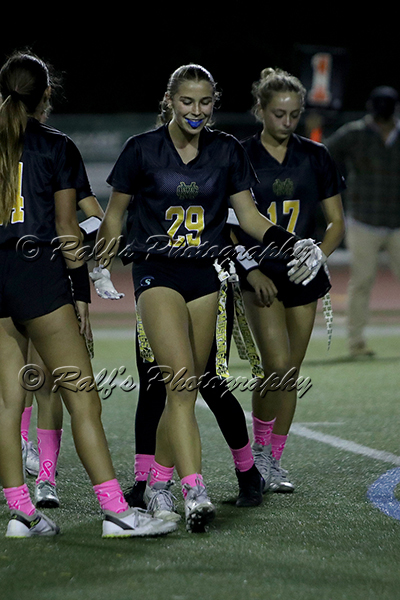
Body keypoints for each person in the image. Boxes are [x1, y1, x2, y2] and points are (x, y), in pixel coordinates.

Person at [91, 63, 325, 532]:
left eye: (204, 102)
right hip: (157, 271)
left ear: (214, 103)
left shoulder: (227, 149)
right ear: (169, 101)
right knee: (179, 383)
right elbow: (115, 214)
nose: (196, 111)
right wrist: (100, 262)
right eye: (186, 101)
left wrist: (293, 242)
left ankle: (159, 484)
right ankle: (193, 490)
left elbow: (249, 216)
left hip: (206, 274)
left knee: (190, 386)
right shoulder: (142, 148)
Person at [0, 50, 176, 538]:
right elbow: (66, 229)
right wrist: (83, 288)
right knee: (83, 400)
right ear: (46, 95)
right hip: (38, 275)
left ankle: (22, 513)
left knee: (8, 404)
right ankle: (118, 512)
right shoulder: (56, 146)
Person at [231, 68, 345, 492]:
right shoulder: (240, 154)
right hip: (261, 273)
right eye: (279, 113)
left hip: (303, 271)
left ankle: (274, 460)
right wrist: (251, 268)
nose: (287, 121)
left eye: (294, 114)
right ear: (260, 110)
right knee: (275, 365)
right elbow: (230, 224)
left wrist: (318, 254)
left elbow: (335, 222)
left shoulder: (316, 156)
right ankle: (259, 453)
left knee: (290, 372)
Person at [19, 193, 104, 511]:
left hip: (50, 278)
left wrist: (65, 236)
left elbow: (98, 219)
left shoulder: (56, 164)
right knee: (14, 378)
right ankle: (20, 446)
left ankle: (45, 478)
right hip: (11, 273)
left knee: (45, 380)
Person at [325, 86, 400, 357]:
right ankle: (356, 342)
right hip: (364, 220)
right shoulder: (355, 132)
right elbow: (323, 153)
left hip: (397, 221)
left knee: (362, 281)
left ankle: (356, 341)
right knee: (362, 280)